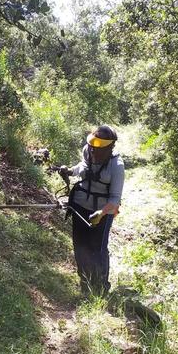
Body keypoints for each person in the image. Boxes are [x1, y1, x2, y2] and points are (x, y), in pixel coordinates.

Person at [59, 125, 125, 296]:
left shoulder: (116, 166)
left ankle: (101, 287)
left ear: (110, 147)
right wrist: (70, 171)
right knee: (80, 245)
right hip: (79, 205)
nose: (94, 151)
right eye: (92, 146)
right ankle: (85, 284)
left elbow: (115, 200)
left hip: (102, 212)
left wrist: (102, 214)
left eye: (99, 148)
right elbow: (83, 166)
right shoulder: (88, 150)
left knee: (98, 249)